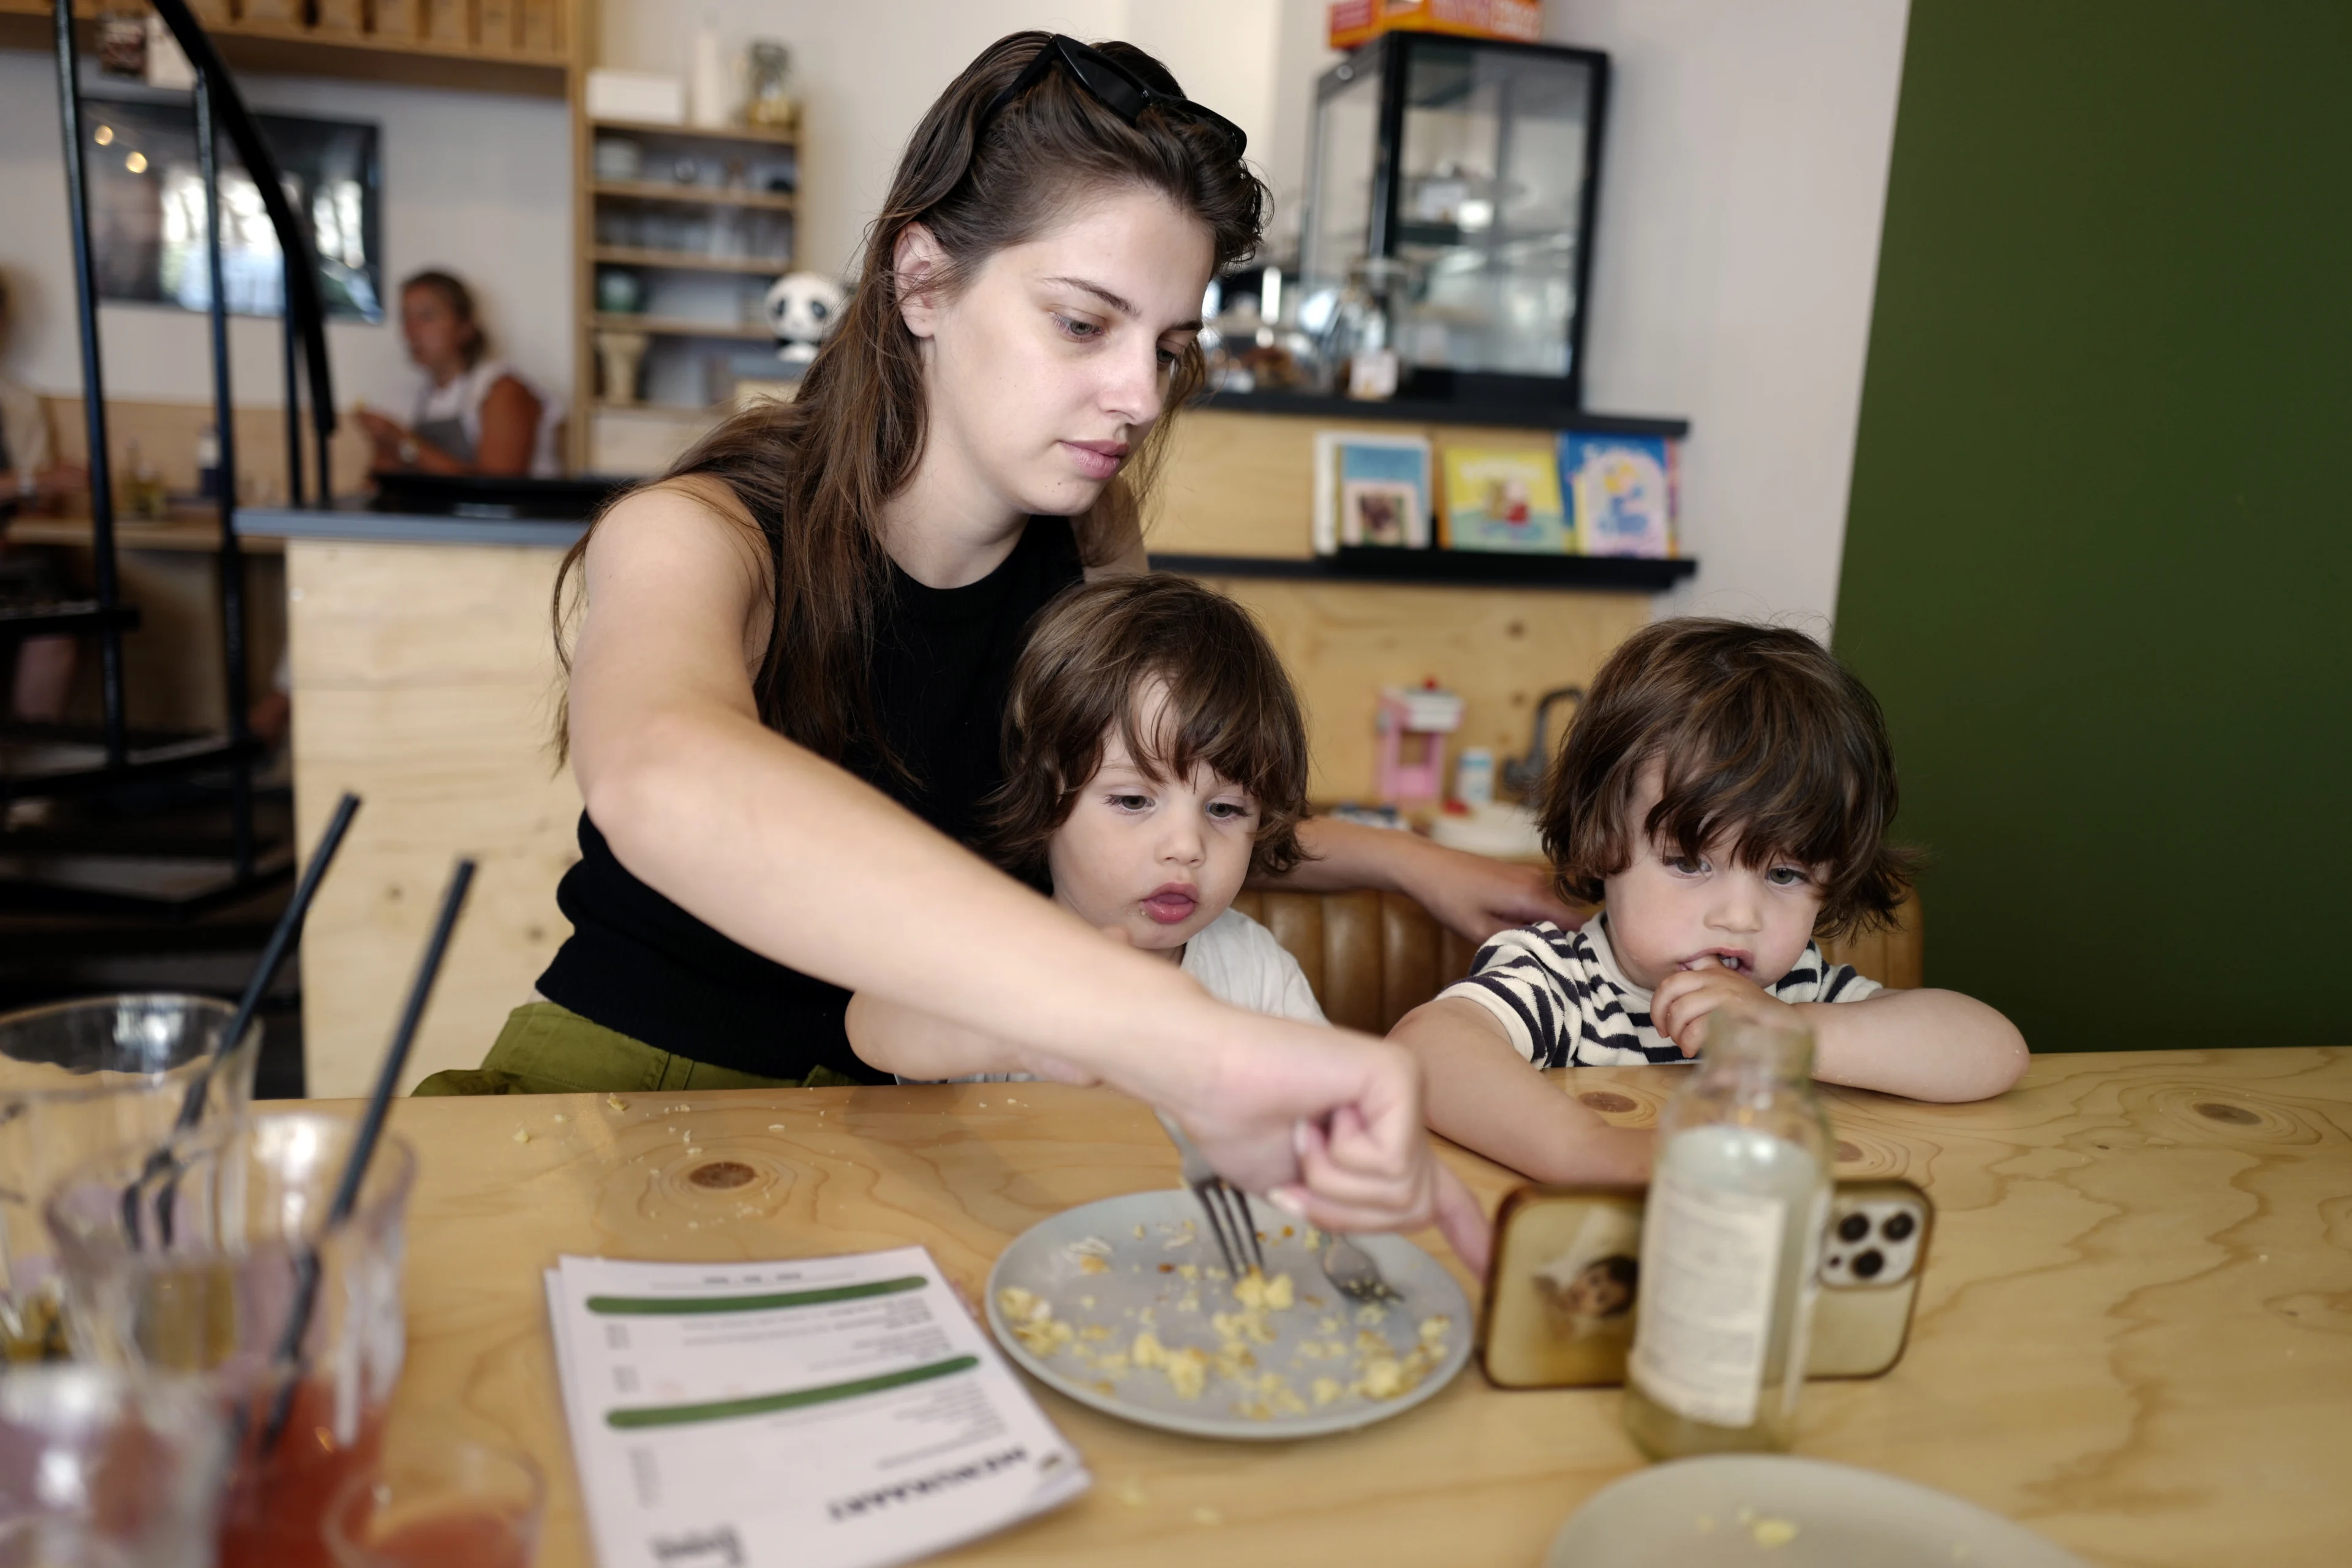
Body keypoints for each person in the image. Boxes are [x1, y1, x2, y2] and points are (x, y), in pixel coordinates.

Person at [420, 33, 1573, 1260]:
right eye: (1085, 325)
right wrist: (1170, 1030)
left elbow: (1143, 804)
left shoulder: (1088, 545)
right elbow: (665, 775)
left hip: (918, 1118)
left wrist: (1408, 863)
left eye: (1169, 347)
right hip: (635, 1094)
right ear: (923, 282)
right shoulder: (699, 536)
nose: (1138, 393)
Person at [1390, 617, 2030, 1185]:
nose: (1740, 916)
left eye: (1783, 875)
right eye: (1690, 862)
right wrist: (1592, 1149)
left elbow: (1995, 1050)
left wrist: (1797, 1033)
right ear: (1602, 839)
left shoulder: (1795, 995)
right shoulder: (1562, 983)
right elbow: (1427, 1047)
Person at [850, 573, 1324, 1080]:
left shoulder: (1255, 972)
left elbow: (1326, 1111)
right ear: (1045, 794)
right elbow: (872, 1026)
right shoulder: (993, 950)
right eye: (1134, 800)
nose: (1187, 848)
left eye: (1225, 810)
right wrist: (1009, 1020)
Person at [352, 270, 564, 477]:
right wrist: (386, 444)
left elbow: (498, 491)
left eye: (427, 317)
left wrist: (404, 443)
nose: (411, 330)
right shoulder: (414, 398)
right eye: (406, 318)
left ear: (465, 327)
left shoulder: (503, 390)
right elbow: (379, 482)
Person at [0, 270, 91, 725]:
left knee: (56, 624)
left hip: (15, 556)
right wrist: (33, 483)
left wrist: (44, 494)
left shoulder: (19, 402)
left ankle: (31, 781)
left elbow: (43, 497)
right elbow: (36, 480)